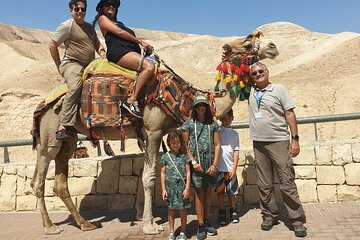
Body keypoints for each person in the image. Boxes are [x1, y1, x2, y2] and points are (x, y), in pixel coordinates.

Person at [248, 61, 307, 237]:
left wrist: (294, 139)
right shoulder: (250, 91)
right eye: (254, 73)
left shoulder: (279, 89)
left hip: (279, 141)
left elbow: (290, 113)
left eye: (260, 71)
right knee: (264, 183)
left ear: (267, 72)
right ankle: (269, 216)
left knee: (286, 181)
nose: (258, 74)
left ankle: (297, 220)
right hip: (258, 143)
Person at [49, 0, 106, 140]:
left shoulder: (89, 27)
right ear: (71, 10)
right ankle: (63, 125)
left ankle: (94, 124)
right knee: (75, 86)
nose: (80, 11)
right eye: (77, 9)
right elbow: (52, 45)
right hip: (72, 64)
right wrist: (59, 65)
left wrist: (102, 52)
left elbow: (97, 44)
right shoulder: (67, 26)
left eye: (83, 9)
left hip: (89, 64)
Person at [93, 0, 155, 119]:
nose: (111, 6)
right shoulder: (102, 19)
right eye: (107, 4)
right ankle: (131, 100)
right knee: (149, 67)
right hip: (119, 52)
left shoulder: (119, 22)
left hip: (129, 51)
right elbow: (119, 32)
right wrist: (141, 42)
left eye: (114, 4)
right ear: (102, 8)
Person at [181, 94, 220, 240]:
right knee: (199, 194)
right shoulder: (189, 124)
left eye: (203, 105)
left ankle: (207, 220)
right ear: (195, 108)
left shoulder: (213, 124)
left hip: (210, 164)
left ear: (206, 107)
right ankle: (200, 224)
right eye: (198, 106)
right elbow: (185, 146)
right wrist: (193, 162)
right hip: (197, 164)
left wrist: (215, 164)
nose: (201, 108)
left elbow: (217, 145)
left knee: (208, 192)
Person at [160, 130, 191, 240]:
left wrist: (187, 188)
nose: (176, 145)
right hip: (170, 189)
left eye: (178, 143)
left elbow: (188, 172)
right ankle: (172, 231)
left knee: (183, 210)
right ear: (169, 143)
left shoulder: (184, 156)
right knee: (171, 210)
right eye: (173, 143)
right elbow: (163, 173)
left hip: (182, 188)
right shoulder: (165, 157)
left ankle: (183, 231)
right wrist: (163, 189)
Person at [215, 109, 240, 225]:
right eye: (224, 119)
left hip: (230, 168)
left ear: (232, 118)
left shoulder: (235, 134)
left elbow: (236, 151)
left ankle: (233, 210)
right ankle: (221, 211)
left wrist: (234, 167)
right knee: (220, 193)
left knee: (232, 192)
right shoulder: (217, 131)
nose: (226, 121)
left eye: (229, 118)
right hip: (219, 168)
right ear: (221, 119)